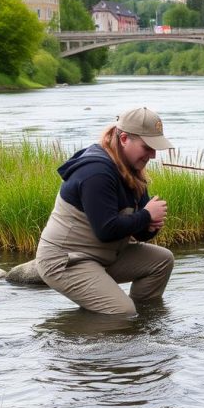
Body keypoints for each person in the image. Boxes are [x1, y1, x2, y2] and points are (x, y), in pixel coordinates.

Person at [35, 107, 175, 316]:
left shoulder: (132, 169)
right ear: (125, 138)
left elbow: (139, 233)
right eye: (147, 147)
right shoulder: (96, 172)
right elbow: (106, 229)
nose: (153, 155)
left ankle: (144, 323)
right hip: (66, 260)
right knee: (122, 312)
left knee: (162, 260)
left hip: (104, 254)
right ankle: (80, 341)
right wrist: (146, 215)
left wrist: (151, 225)